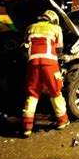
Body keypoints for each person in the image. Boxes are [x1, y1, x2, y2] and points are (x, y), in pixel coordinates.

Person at [22, 9, 69, 137]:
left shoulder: (30, 28)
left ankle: (27, 126)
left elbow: (25, 45)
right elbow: (59, 48)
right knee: (55, 91)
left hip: (33, 64)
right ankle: (62, 120)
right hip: (50, 65)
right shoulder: (56, 29)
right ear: (53, 20)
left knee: (32, 93)